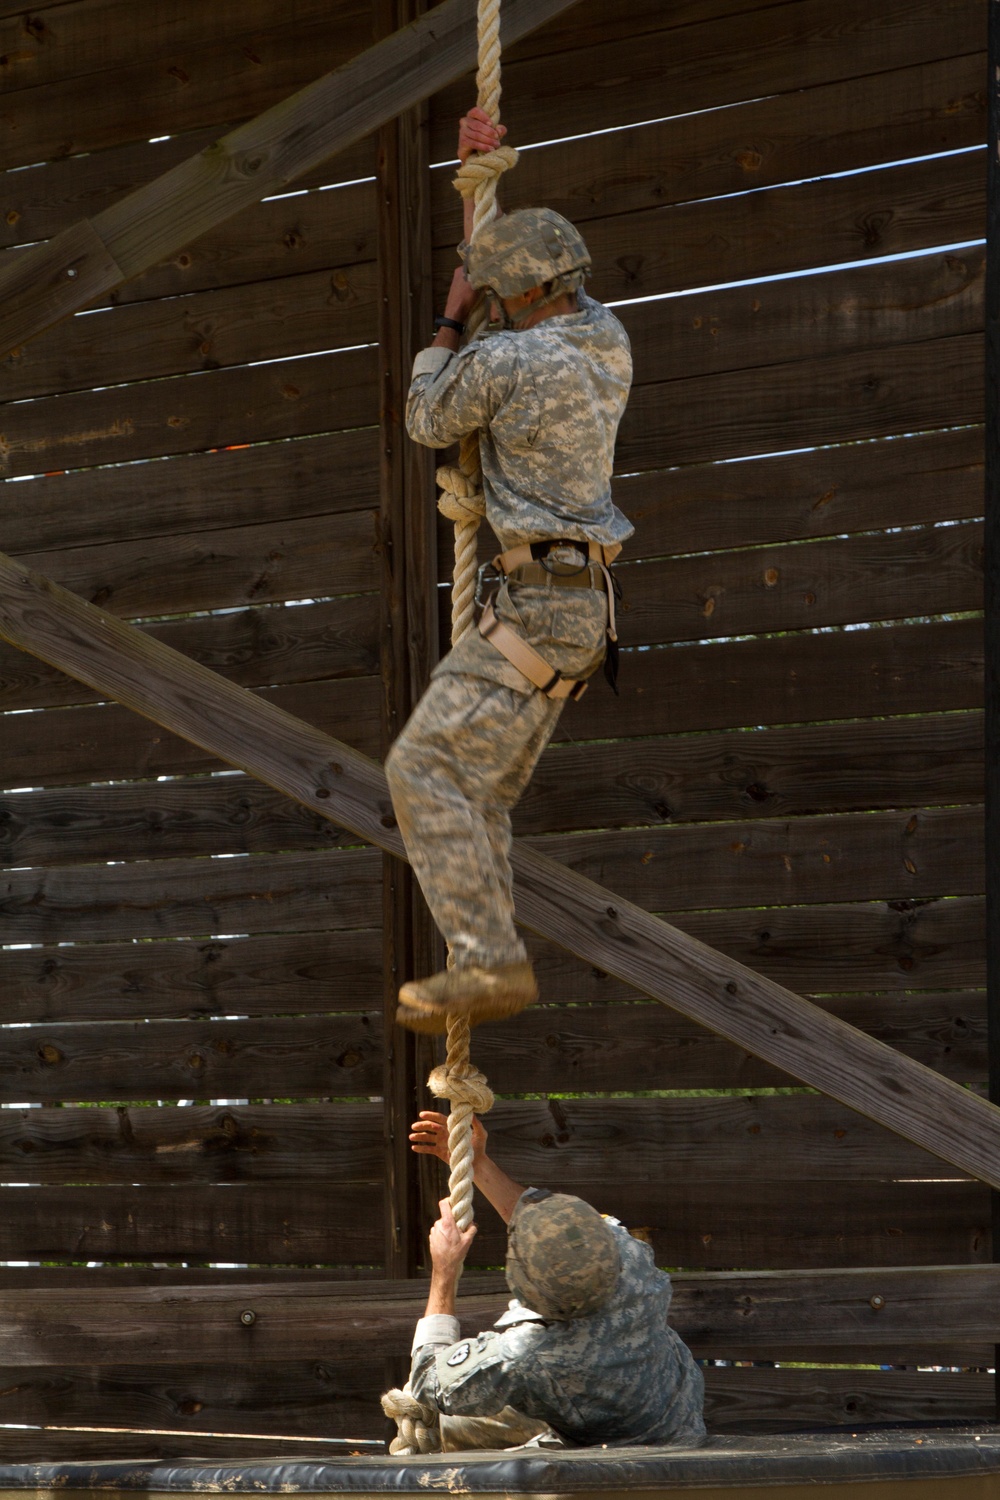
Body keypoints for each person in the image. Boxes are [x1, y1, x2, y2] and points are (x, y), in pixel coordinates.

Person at [386, 106, 634, 1036]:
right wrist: (481, 194)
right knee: (475, 789)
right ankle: (483, 956)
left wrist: (450, 320)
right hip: (576, 608)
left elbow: (428, 414)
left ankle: (490, 961)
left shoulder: (501, 363)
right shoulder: (606, 343)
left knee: (420, 771)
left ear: (511, 304)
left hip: (535, 610)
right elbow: (519, 285)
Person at [402, 1109, 706, 1452]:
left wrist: (444, 1272)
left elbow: (429, 1382)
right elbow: (554, 1223)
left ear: (524, 1286)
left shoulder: (529, 1354)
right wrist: (477, 1163)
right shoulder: (629, 1256)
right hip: (675, 1420)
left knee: (450, 1425)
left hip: (618, 1453)